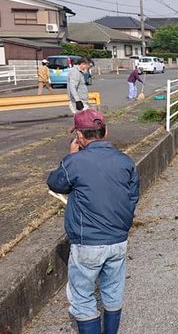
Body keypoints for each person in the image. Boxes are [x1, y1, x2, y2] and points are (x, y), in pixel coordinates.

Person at [47, 109, 140, 334]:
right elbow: (133, 197)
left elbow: (55, 183)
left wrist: (69, 156)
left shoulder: (75, 162)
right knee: (113, 290)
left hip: (87, 241)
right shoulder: (125, 161)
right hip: (118, 241)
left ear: (79, 136)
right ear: (105, 131)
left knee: (82, 296)